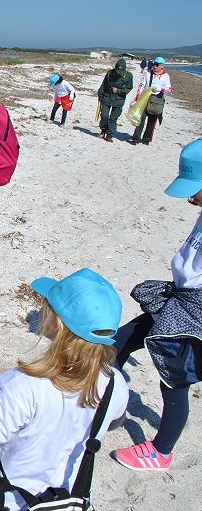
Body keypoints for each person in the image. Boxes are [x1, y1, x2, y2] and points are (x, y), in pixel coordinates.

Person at [0, 268, 129, 510]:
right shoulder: (116, 384)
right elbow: (114, 421)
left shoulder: (23, 385)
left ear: (56, 321)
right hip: (67, 499)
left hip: (6, 501)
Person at [112, 138, 202, 472]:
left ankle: (161, 451)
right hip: (179, 296)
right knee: (123, 339)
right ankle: (105, 401)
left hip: (195, 309)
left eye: (196, 188)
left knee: (175, 378)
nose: (191, 196)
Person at [129, 57, 172, 146]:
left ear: (162, 66)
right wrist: (138, 97)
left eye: (157, 64)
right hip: (145, 99)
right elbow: (141, 85)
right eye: (154, 64)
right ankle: (136, 138)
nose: (155, 66)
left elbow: (169, 89)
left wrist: (160, 89)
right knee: (140, 118)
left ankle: (146, 139)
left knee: (152, 121)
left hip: (157, 100)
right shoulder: (148, 74)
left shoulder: (166, 76)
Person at [97, 58, 133, 142]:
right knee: (104, 116)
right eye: (117, 70)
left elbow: (129, 88)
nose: (118, 72)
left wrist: (119, 91)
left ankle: (110, 134)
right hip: (107, 98)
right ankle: (103, 130)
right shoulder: (110, 73)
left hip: (119, 100)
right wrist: (100, 94)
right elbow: (104, 84)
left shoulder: (129, 76)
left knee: (113, 118)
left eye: (120, 71)